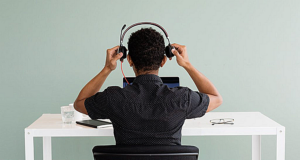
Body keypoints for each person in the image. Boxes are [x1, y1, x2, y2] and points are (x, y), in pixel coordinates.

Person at [74, 28, 222, 145]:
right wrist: (187, 65)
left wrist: (107, 68)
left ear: (129, 60)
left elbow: (79, 103)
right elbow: (216, 98)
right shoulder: (182, 98)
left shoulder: (113, 98)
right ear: (163, 61)